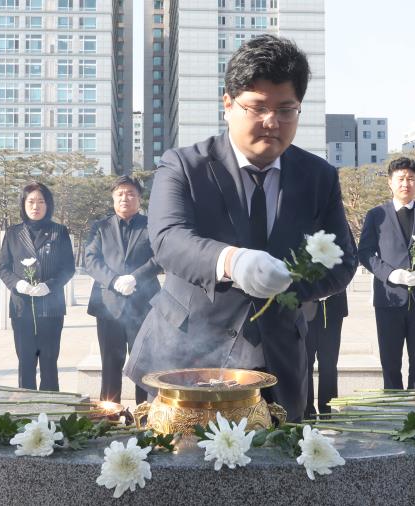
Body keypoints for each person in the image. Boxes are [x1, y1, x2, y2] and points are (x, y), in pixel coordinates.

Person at [124, 35, 357, 421]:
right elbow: (167, 239)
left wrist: (288, 282)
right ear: (228, 104)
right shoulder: (184, 165)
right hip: (186, 355)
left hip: (277, 360)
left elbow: (343, 261)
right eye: (258, 107)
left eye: (286, 110)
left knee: (275, 471)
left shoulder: (318, 177)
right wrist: (232, 260)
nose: (272, 122)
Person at [358, 157, 415, 390]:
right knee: (390, 359)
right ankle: (393, 406)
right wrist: (391, 274)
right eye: (400, 179)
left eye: (411, 179)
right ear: (390, 182)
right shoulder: (376, 215)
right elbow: (365, 253)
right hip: (389, 298)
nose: (405, 184)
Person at [84, 176, 160, 404]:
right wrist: (114, 280)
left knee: (143, 364)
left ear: (139, 199)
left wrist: (135, 278)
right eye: (120, 194)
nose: (125, 198)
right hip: (109, 305)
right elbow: (90, 259)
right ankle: (110, 415)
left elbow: (162, 256)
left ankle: (144, 414)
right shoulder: (100, 227)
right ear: (113, 198)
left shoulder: (152, 225)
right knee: (109, 363)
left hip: (143, 304)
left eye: (130, 194)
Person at [0, 181, 75, 391]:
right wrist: (19, 284)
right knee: (25, 362)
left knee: (49, 362)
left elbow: (68, 268)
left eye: (41, 201)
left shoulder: (59, 231)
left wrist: (50, 286)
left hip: (51, 309)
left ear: (48, 205)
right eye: (31, 201)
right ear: (23, 204)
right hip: (22, 308)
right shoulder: (13, 233)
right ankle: (27, 409)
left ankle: (51, 410)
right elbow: (3, 268)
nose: (36, 206)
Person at [303, 293, 347, 419]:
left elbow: (345, 272)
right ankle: (306, 409)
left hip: (333, 307)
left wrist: (331, 286)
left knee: (329, 363)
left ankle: (327, 409)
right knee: (305, 363)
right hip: (305, 306)